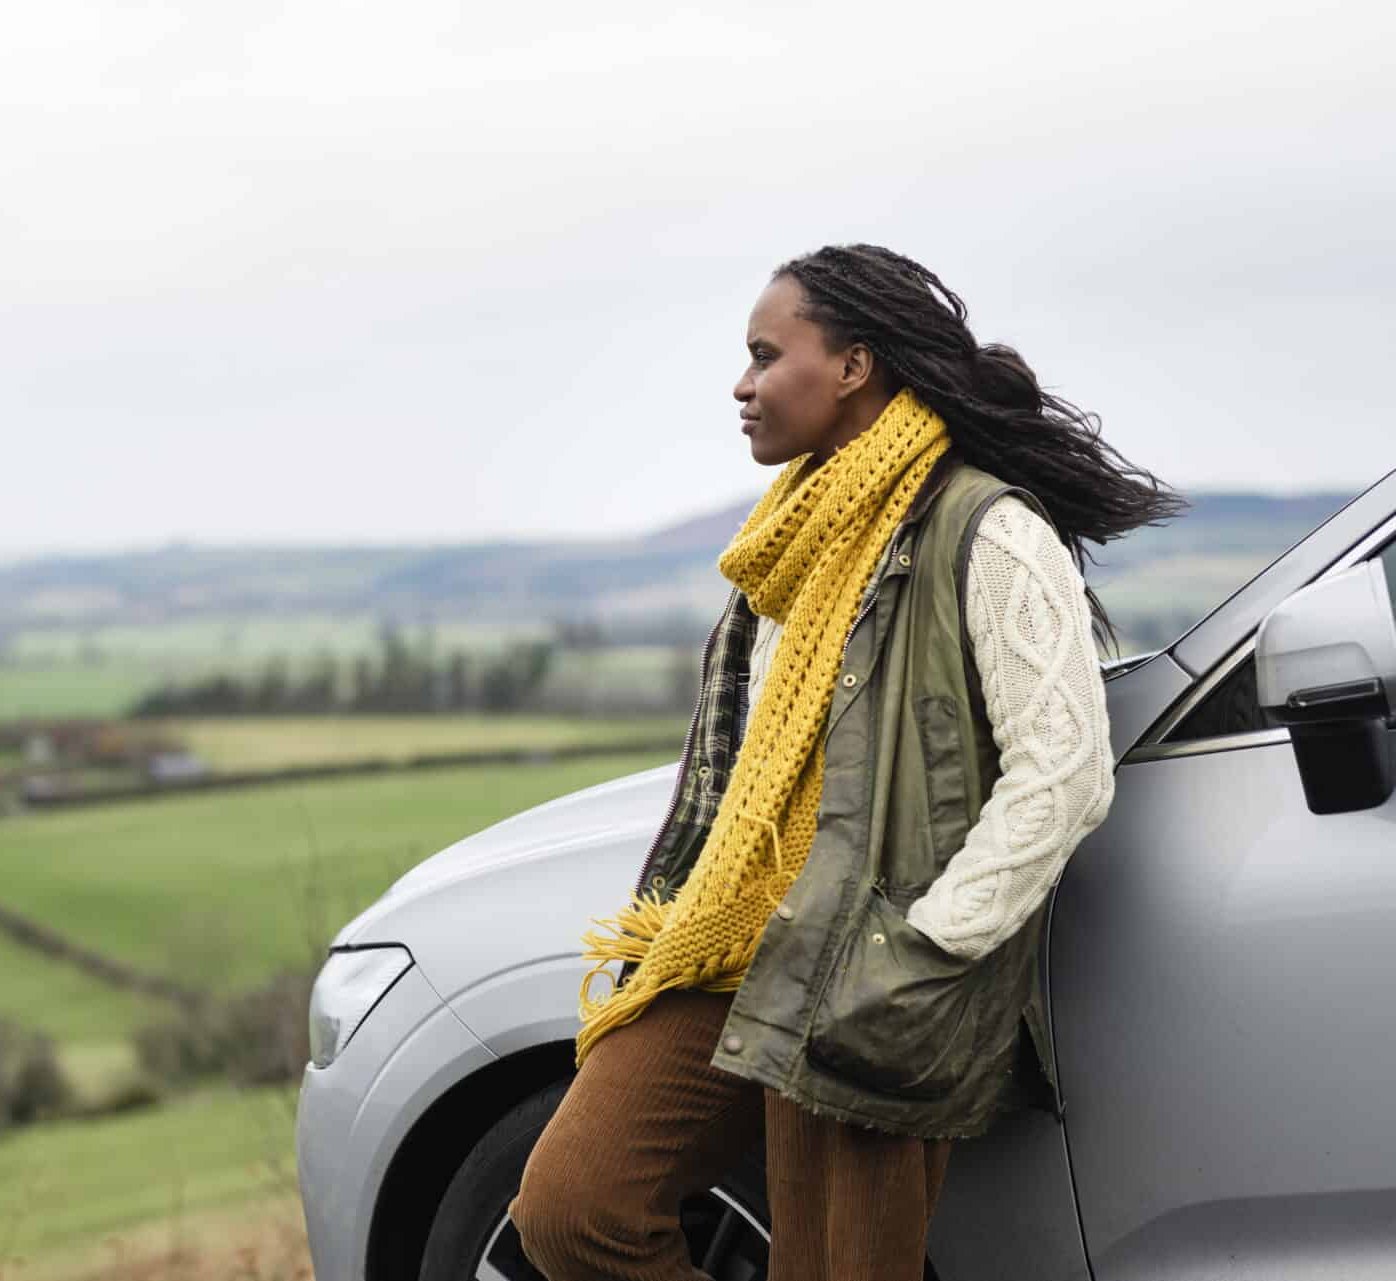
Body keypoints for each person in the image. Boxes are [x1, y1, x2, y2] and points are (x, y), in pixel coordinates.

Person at [505, 243, 1185, 1281]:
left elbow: (1066, 769)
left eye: (766, 354)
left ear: (856, 365)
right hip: (736, 942)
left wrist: (922, 947)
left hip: (873, 968)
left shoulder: (988, 528)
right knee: (573, 1210)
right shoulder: (798, 538)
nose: (742, 384)